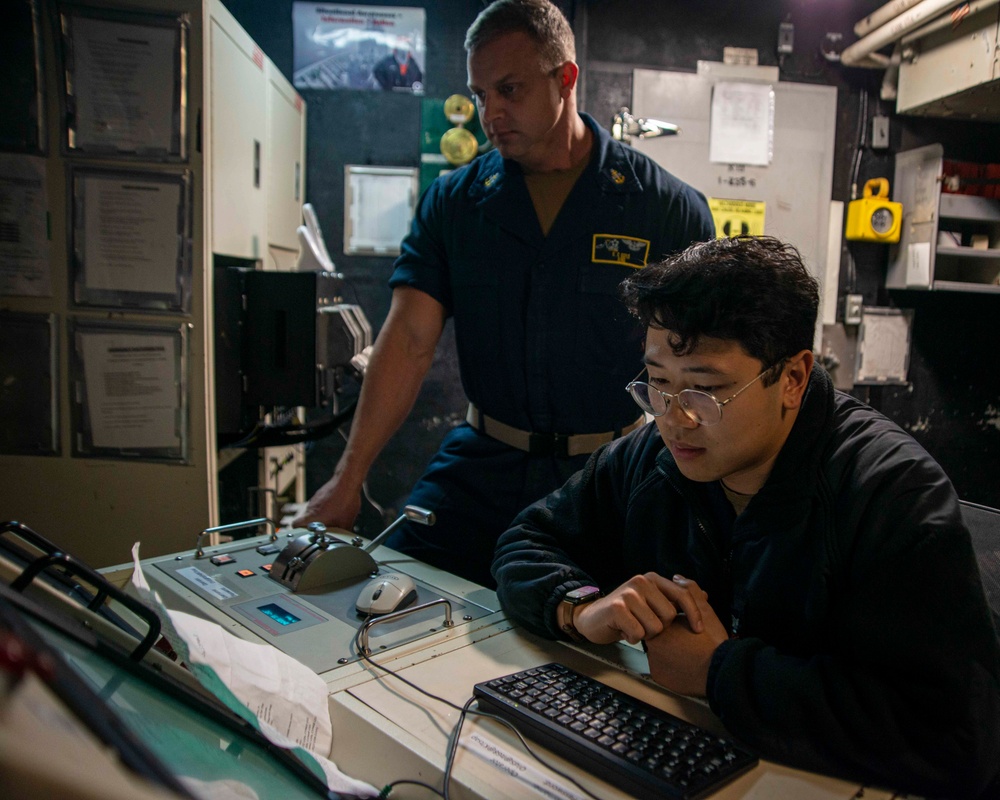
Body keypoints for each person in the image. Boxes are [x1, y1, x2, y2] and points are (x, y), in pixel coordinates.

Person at [492, 235, 1000, 797]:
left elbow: (956, 738)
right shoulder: (652, 456)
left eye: (706, 391)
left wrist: (719, 672)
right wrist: (580, 608)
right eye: (658, 383)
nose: (675, 419)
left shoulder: (889, 491)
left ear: (792, 378)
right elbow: (525, 541)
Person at [293, 0, 714, 589]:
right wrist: (345, 479)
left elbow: (702, 360)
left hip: (607, 472)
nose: (491, 112)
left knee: (607, 644)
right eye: (481, 93)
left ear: (565, 78)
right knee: (397, 596)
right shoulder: (457, 204)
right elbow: (411, 339)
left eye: (509, 89)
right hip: (485, 460)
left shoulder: (664, 206)